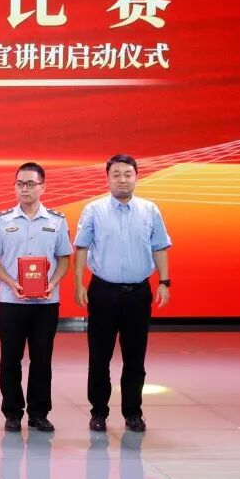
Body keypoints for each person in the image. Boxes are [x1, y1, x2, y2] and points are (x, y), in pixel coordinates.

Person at [74, 154, 172, 433]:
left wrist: (164, 282)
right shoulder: (94, 210)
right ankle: (98, 412)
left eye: (128, 174)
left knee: (135, 357)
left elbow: (159, 247)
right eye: (116, 174)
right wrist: (78, 283)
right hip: (103, 292)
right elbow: (81, 248)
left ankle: (133, 413)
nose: (122, 180)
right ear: (107, 179)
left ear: (136, 177)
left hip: (138, 293)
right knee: (99, 357)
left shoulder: (150, 210)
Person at [0, 162, 72, 432]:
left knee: (42, 358)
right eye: (20, 184)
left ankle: (39, 413)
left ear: (43, 187)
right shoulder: (2, 220)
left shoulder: (57, 221)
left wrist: (52, 283)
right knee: (10, 358)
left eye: (31, 184)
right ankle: (12, 413)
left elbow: (64, 258)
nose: (24, 189)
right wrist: (10, 282)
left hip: (46, 303)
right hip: (11, 301)